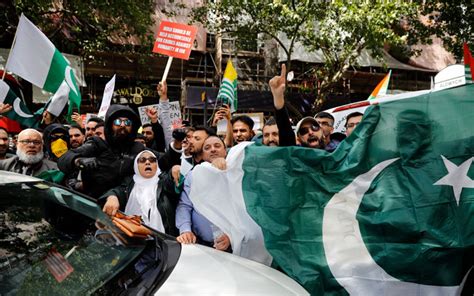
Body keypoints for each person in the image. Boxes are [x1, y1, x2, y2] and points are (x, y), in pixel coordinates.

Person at [58, 105, 145, 199]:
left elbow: (161, 159)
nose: (122, 125)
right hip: (94, 205)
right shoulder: (96, 144)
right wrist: (78, 161)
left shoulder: (138, 148)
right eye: (118, 121)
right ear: (110, 125)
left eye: (127, 122)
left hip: (124, 205)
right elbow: (64, 158)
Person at [101, 150, 179, 236]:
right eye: (142, 160)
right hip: (133, 237)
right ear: (136, 165)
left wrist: (174, 170)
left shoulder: (163, 182)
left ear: (157, 164)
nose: (148, 162)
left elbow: (171, 183)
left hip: (162, 241)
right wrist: (112, 197)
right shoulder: (129, 183)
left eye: (152, 160)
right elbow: (118, 191)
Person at [176, 135, 231, 251]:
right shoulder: (193, 175)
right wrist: (185, 230)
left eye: (217, 146)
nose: (213, 149)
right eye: (207, 148)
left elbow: (243, 210)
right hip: (201, 245)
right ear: (202, 155)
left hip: (233, 245)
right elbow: (185, 206)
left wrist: (233, 236)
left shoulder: (235, 173)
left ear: (225, 151)